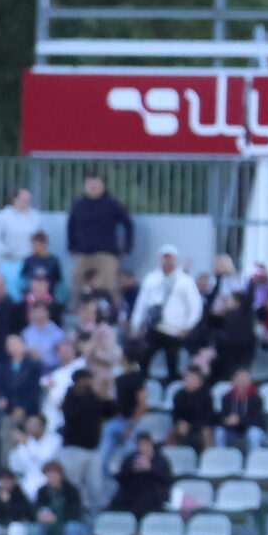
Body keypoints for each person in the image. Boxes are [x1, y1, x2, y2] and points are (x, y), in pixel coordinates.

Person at [133, 246, 201, 380]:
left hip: (174, 330)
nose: (168, 263)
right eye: (165, 259)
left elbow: (196, 306)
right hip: (154, 326)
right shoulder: (151, 278)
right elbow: (142, 303)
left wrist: (189, 325)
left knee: (173, 363)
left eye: (171, 259)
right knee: (144, 358)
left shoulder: (185, 281)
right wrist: (136, 324)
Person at [66, 176, 134, 297]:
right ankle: (80, 312)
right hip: (83, 253)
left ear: (102, 186)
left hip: (106, 253)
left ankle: (110, 313)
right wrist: (71, 247)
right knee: (78, 284)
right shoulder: (78, 205)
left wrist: (127, 247)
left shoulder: (112, 204)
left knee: (108, 285)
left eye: (95, 185)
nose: (92, 188)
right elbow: (71, 226)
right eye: (90, 185)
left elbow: (128, 224)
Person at [58, 369, 111, 515]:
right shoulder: (70, 398)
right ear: (78, 381)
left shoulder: (93, 397)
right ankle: (73, 515)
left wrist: (106, 393)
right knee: (73, 485)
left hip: (93, 449)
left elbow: (109, 411)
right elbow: (75, 415)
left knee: (95, 487)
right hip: (74, 449)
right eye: (86, 379)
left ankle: (97, 517)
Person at [108, 434, 175, 517]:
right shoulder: (130, 459)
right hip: (131, 497)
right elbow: (121, 478)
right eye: (140, 445)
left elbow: (167, 479)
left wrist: (150, 468)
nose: (143, 448)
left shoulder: (161, 460)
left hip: (154, 497)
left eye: (146, 444)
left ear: (151, 444)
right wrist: (132, 470)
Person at [0, 187, 43, 279]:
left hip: (30, 261)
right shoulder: (4, 215)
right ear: (15, 200)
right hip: (10, 261)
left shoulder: (35, 216)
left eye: (28, 200)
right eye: (24, 200)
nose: (27, 202)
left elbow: (40, 237)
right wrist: (4, 250)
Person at [216, 369, 267, 453]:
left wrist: (239, 420)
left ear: (250, 382)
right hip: (233, 428)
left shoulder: (256, 398)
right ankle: (222, 457)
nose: (241, 383)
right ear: (234, 381)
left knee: (254, 433)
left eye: (244, 380)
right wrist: (226, 420)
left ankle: (254, 459)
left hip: (251, 427)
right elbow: (222, 416)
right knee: (219, 432)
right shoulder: (227, 398)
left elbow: (258, 420)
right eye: (239, 380)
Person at [169, 367, 217, 452]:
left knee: (206, 432)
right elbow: (175, 415)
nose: (191, 380)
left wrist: (191, 427)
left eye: (194, 378)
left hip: (200, 426)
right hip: (183, 425)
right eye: (189, 377)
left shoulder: (206, 396)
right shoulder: (179, 395)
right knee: (172, 431)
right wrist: (180, 423)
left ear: (200, 381)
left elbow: (207, 418)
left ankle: (206, 457)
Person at [19, 230, 64, 298]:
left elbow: (58, 279)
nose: (32, 247)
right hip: (32, 298)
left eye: (35, 244)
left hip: (49, 297)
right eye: (32, 244)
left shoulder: (53, 260)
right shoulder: (29, 260)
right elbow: (24, 278)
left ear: (43, 244)